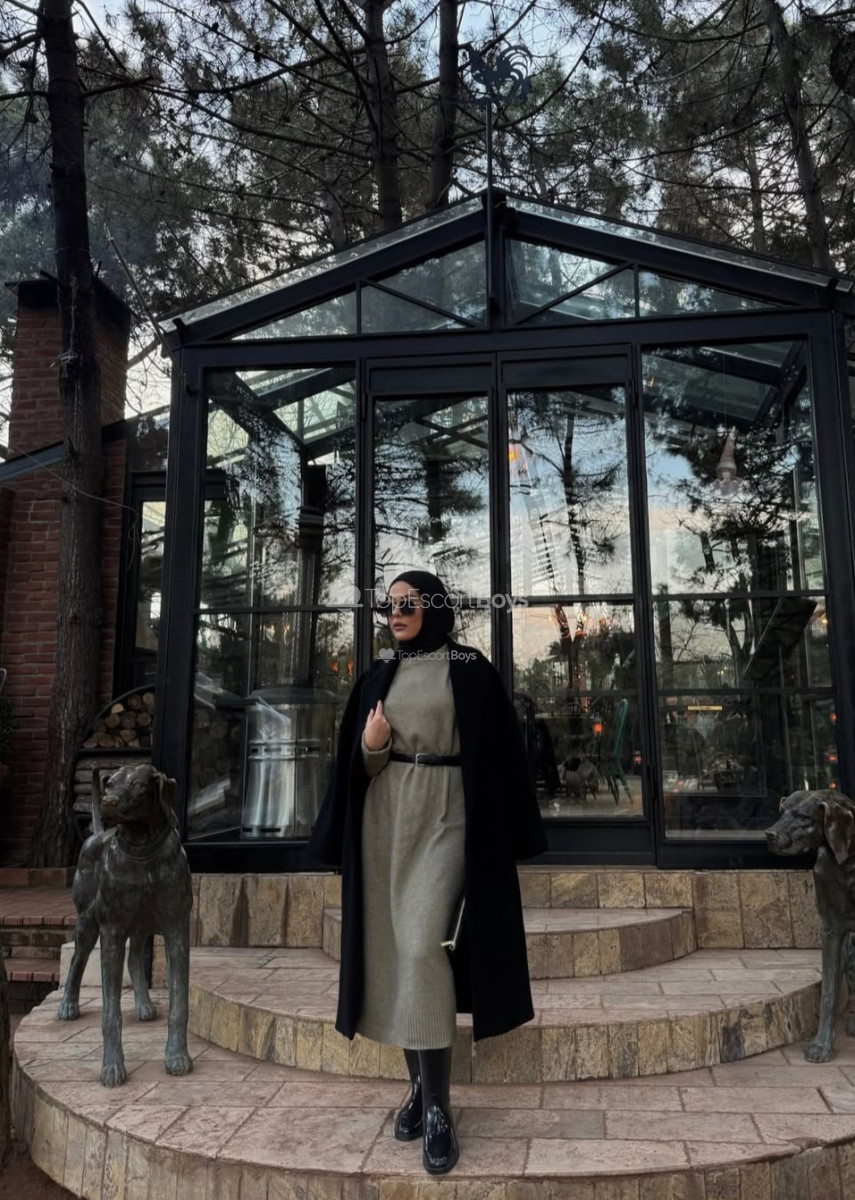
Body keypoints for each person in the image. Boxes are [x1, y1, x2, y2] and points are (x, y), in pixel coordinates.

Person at [308, 570, 546, 1175]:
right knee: (393, 957)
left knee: (420, 948)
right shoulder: (379, 673)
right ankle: (418, 1090)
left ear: (434, 607)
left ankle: (439, 1108)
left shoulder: (469, 668)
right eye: (389, 606)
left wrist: (507, 833)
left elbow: (499, 753)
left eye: (408, 604)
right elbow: (359, 764)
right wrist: (372, 745)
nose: (395, 613)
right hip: (385, 824)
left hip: (446, 817)